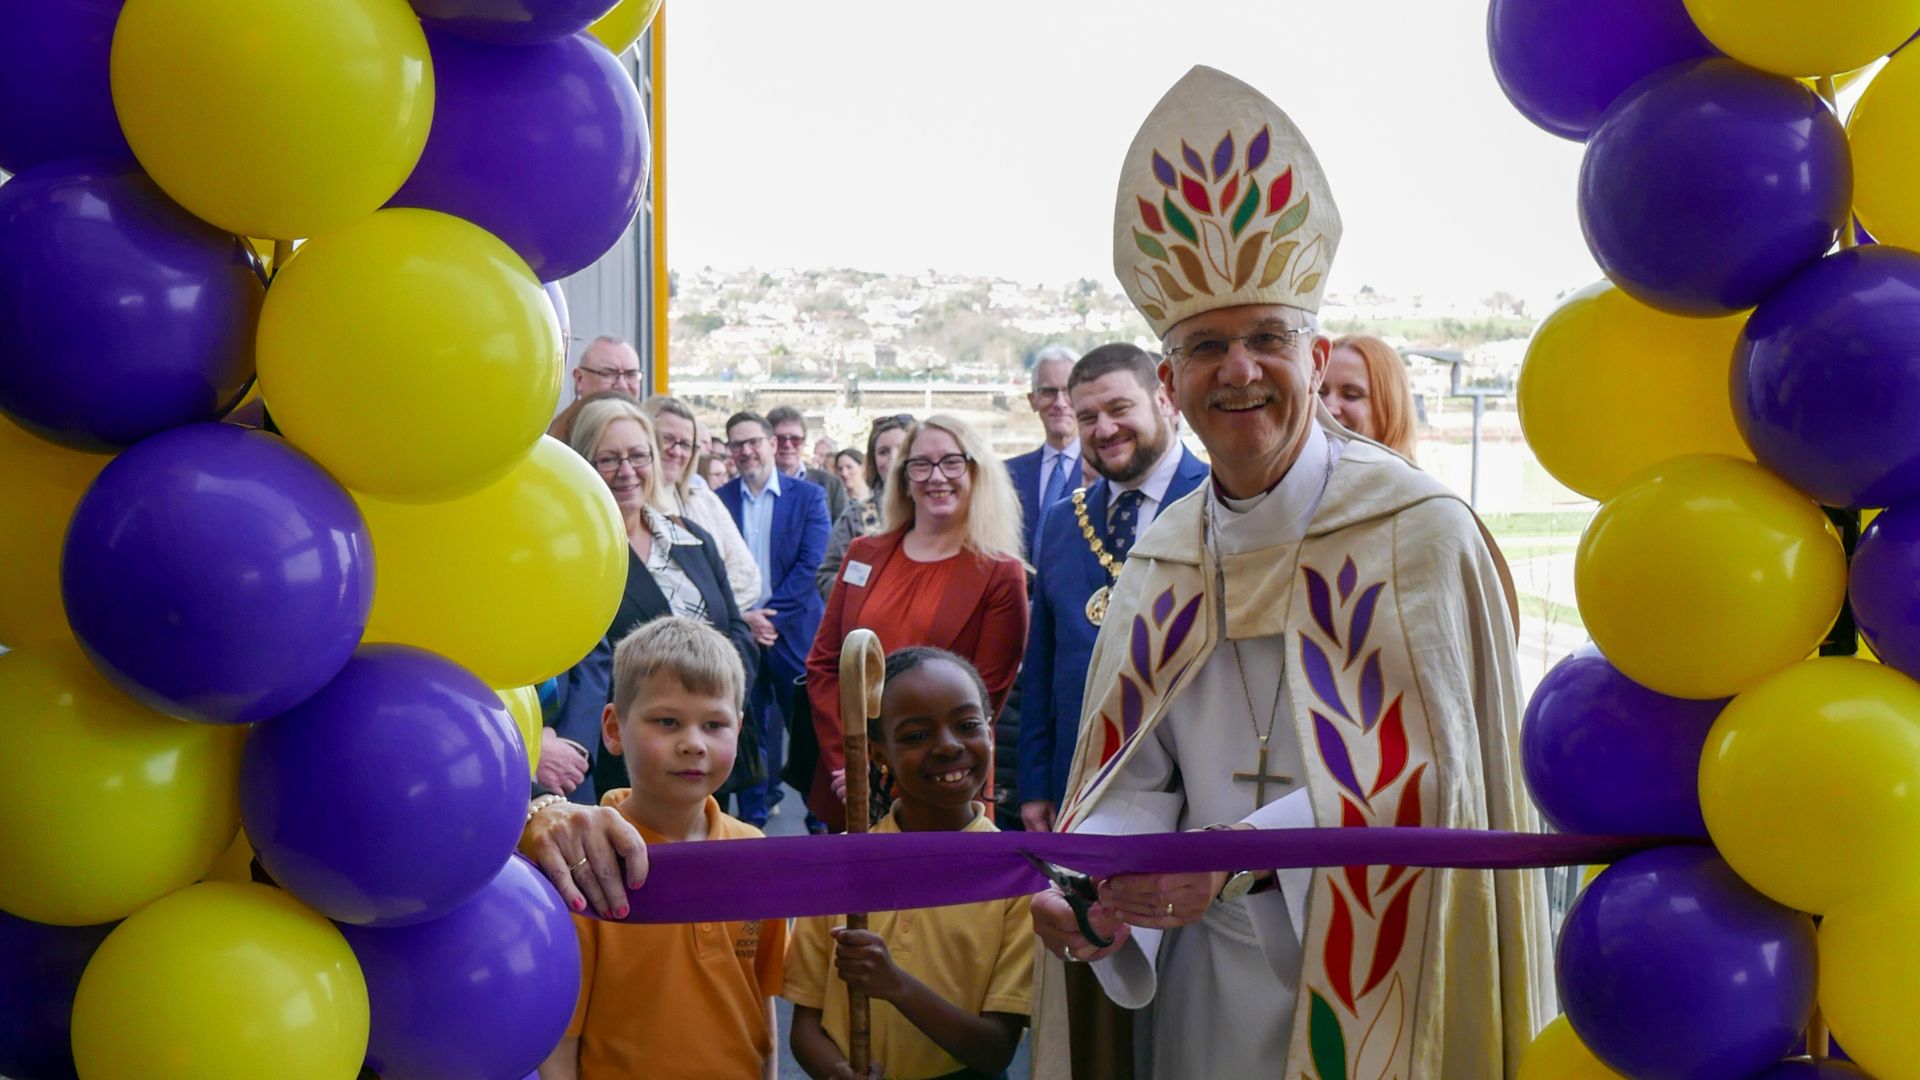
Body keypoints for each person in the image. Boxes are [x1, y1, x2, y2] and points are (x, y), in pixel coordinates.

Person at [1028, 66, 1550, 1079]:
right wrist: (1104, 897)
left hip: (1394, 968)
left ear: (1315, 361)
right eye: (1208, 346)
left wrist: (1248, 849)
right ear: (1171, 381)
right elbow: (1133, 778)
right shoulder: (1166, 555)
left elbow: (1445, 781)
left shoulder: (1418, 533)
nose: (1241, 370)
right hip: (1199, 988)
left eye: (1269, 338)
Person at [534, 617, 785, 1080]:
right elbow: (562, 1039)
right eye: (667, 721)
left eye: (714, 724)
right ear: (612, 728)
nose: (693, 743)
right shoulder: (586, 864)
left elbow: (759, 994)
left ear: (740, 728)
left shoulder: (754, 854)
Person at [785, 648, 1033, 1080]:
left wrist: (894, 984)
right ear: (879, 753)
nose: (948, 745)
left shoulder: (1014, 875)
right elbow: (805, 1026)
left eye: (968, 725)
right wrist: (835, 1072)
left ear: (991, 731)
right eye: (917, 735)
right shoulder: (838, 865)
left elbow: (995, 1050)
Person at [1017, 344, 1208, 834]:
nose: (1103, 429)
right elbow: (1042, 664)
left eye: (1120, 408)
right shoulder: (1064, 520)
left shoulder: (1219, 502)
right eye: (1087, 417)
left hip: (1192, 785)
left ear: (1165, 399)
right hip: (1075, 782)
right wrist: (1036, 784)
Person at [805, 414, 1028, 833]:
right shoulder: (863, 554)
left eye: (951, 462)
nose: (935, 476)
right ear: (904, 478)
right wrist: (849, 759)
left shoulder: (1001, 574)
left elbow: (983, 701)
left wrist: (895, 765)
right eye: (921, 464)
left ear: (976, 471)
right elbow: (824, 664)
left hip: (946, 783)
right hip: (851, 782)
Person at [557, 398, 759, 803]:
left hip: (712, 754)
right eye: (608, 459)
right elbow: (580, 665)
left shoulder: (692, 538)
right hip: (631, 771)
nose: (627, 471)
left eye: (638, 455)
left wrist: (720, 695)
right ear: (584, 466)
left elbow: (736, 628)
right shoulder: (572, 556)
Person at [716, 410, 832, 827]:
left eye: (752, 442)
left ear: (770, 444)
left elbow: (810, 565)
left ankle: (821, 816)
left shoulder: (809, 497)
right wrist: (745, 618)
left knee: (807, 728)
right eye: (737, 445)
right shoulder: (720, 500)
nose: (745, 451)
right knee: (748, 726)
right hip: (742, 632)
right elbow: (716, 566)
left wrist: (771, 619)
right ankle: (752, 818)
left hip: (794, 632)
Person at [643, 395, 763, 614]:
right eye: (667, 439)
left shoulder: (704, 500)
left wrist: (705, 608)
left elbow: (747, 577)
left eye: (686, 444)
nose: (677, 451)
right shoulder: (629, 505)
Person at [815, 414, 913, 601]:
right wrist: (861, 587)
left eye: (902, 449)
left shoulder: (937, 512)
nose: (893, 459)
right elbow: (826, 575)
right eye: (883, 452)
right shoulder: (856, 517)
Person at [1004, 345, 1081, 561]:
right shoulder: (1007, 475)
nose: (1059, 403)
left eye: (1069, 391)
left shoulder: (1106, 474)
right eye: (1048, 391)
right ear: (1032, 400)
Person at [1323, 333, 1419, 460]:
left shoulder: (1407, 480)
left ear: (1389, 407)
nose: (1329, 408)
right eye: (1320, 393)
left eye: (1351, 395)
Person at [548, 337, 644, 442]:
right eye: (608, 373)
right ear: (580, 379)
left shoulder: (653, 431)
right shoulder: (557, 439)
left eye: (631, 374)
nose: (622, 385)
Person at [769, 404, 850, 522]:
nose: (788, 445)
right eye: (781, 439)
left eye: (795, 439)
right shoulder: (757, 485)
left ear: (804, 442)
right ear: (770, 442)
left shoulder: (830, 484)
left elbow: (841, 533)